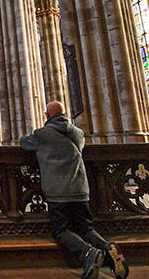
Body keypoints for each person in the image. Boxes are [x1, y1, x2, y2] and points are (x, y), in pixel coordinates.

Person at [19, 101, 129, 279]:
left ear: (47, 116)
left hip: (58, 192)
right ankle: (108, 248)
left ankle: (88, 252)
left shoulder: (42, 134)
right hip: (80, 190)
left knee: (61, 230)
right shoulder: (77, 133)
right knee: (86, 228)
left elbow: (24, 142)